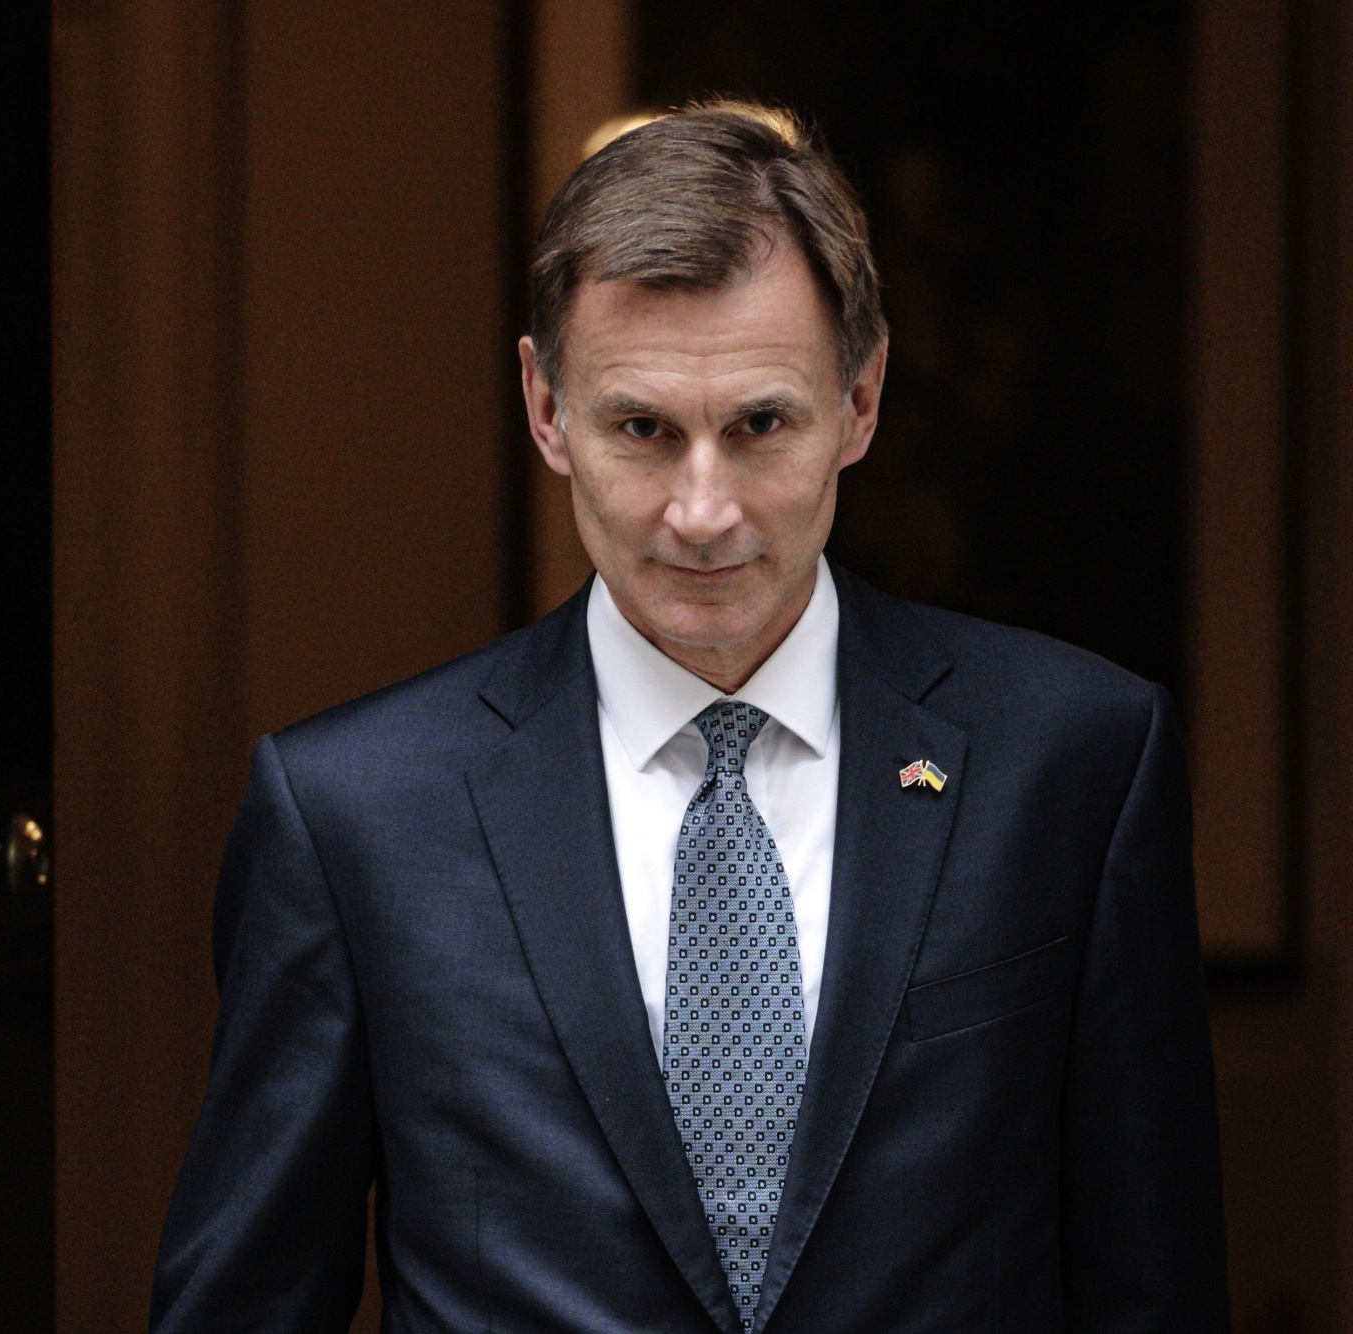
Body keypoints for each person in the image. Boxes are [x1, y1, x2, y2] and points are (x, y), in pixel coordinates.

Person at [150, 102, 1228, 1332]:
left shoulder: (1074, 759)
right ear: (545, 407)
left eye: (759, 424)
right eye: (642, 429)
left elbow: (1153, 1285)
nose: (701, 511)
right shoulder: (354, 813)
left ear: (860, 399)